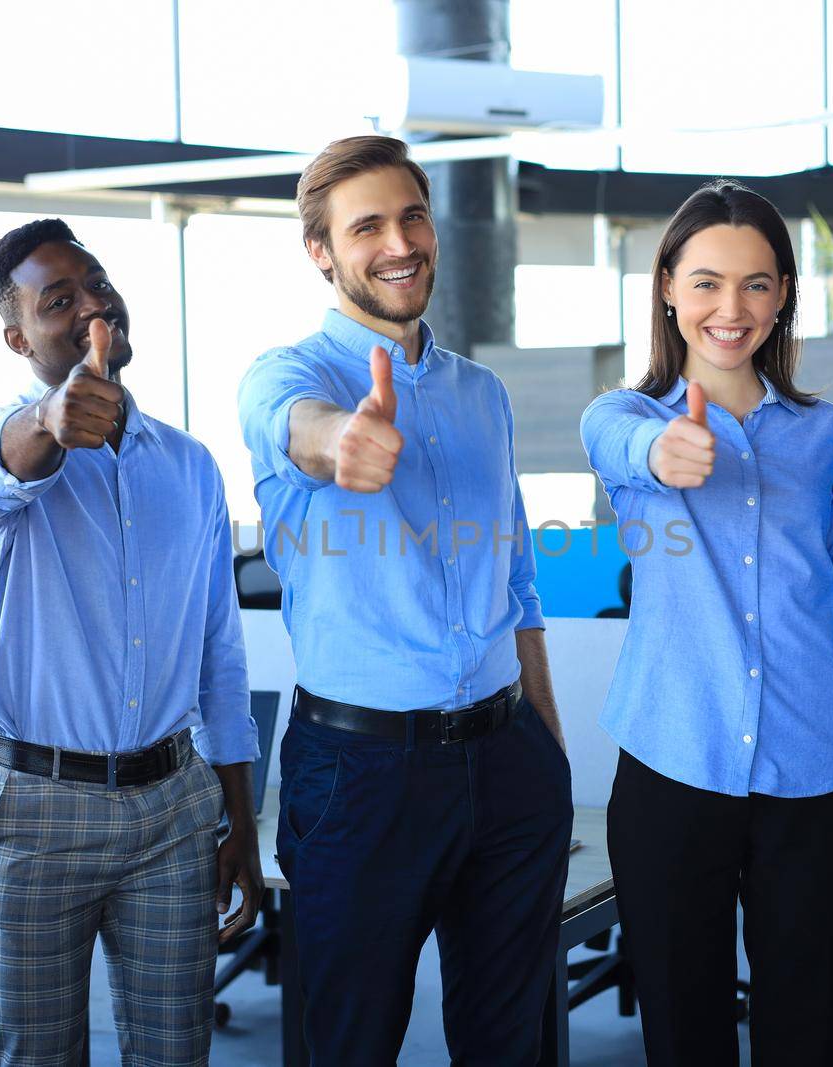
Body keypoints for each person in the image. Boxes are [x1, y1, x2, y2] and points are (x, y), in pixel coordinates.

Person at [236, 134, 572, 1063]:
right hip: (361, 776)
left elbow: (517, 583)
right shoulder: (289, 374)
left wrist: (545, 746)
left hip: (506, 762)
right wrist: (344, 438)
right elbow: (297, 429)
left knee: (512, 1042)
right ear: (322, 252)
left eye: (412, 216)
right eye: (367, 225)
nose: (399, 242)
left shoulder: (481, 393)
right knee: (351, 1044)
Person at [579, 179, 833, 1066]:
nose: (733, 307)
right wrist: (663, 451)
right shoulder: (627, 419)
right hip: (673, 765)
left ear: (784, 295)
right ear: (668, 289)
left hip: (818, 774)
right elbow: (613, 441)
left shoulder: (829, 438)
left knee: (809, 1038)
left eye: (758, 283)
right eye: (708, 282)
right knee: (685, 1037)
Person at [0, 219, 261, 1067]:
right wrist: (51, 416)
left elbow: (219, 653)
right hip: (37, 809)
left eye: (97, 283)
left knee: (175, 1051)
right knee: (34, 1054)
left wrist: (240, 818)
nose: (92, 307)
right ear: (17, 336)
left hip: (173, 807)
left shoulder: (189, 466)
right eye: (59, 301)